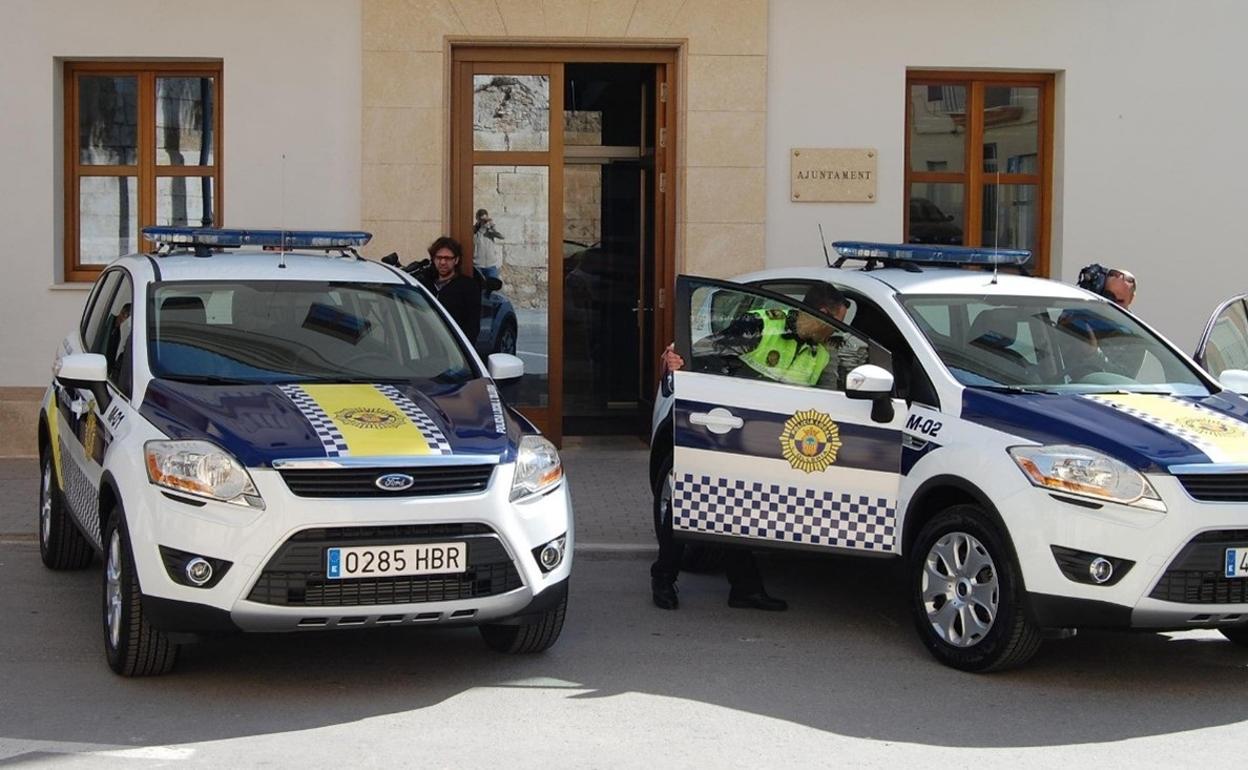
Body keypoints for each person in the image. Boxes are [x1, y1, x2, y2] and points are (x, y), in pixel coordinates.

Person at [652, 282, 858, 613]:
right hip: (722, 427)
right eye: (836, 322)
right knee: (690, 502)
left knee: (743, 510)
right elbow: (701, 355)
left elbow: (830, 397)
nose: (837, 331)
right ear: (821, 314)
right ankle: (663, 577)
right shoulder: (761, 324)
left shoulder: (824, 349)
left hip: (769, 437)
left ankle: (745, 589)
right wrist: (675, 361)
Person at [418, 236, 482, 343]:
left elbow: (472, 325)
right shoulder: (425, 283)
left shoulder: (468, 287)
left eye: (447, 258)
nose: (442, 262)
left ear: (456, 260)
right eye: (438, 258)